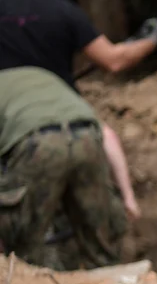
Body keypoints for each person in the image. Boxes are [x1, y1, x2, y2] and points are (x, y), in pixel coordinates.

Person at [0, 0, 157, 224]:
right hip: (72, 116)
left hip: (14, 123)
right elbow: (114, 60)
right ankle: (128, 201)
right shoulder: (63, 10)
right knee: (106, 135)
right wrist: (151, 39)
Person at [0, 67, 127, 268]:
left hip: (38, 144)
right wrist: (128, 198)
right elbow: (109, 136)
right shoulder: (41, 77)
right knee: (101, 240)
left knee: (24, 244)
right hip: (87, 136)